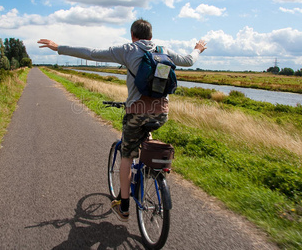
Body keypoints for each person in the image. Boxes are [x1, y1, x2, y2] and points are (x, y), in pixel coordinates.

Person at [38, 18, 207, 222]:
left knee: (127, 156)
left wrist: (59, 48)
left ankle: (124, 208)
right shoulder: (164, 50)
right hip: (161, 112)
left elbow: (92, 53)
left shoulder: (128, 49)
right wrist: (197, 48)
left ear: (132, 35)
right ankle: (148, 171)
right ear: (151, 36)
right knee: (146, 135)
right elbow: (189, 60)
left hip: (136, 112)